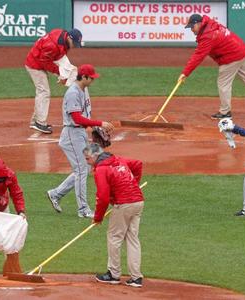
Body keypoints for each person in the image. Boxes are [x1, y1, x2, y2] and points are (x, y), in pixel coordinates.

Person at [46, 64, 114, 218]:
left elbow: (84, 116)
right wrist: (99, 124)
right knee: (82, 170)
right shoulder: (72, 93)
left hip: (81, 133)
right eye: (91, 78)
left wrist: (93, 129)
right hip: (71, 134)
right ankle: (83, 210)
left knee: (87, 167)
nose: (93, 80)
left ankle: (55, 194)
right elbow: (76, 118)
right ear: (84, 77)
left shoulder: (84, 89)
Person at [178, 14, 245, 119]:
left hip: (232, 56)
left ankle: (225, 112)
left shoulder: (208, 36)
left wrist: (185, 73)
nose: (191, 29)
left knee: (223, 84)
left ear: (199, 23)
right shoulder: (210, 24)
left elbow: (198, 56)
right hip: (240, 50)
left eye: (192, 26)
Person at [83, 143, 145, 288]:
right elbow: (138, 164)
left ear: (95, 156)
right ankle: (136, 278)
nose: (86, 161)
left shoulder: (101, 169)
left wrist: (98, 218)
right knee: (132, 239)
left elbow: (103, 197)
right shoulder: (118, 159)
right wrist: (134, 184)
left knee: (114, 238)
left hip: (123, 204)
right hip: (138, 202)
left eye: (87, 158)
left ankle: (113, 274)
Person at [25, 28, 83, 134]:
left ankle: (36, 121)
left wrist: (64, 74)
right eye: (74, 43)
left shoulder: (63, 38)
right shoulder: (52, 45)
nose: (74, 46)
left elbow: (58, 57)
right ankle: (39, 122)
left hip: (43, 60)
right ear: (69, 37)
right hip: (34, 65)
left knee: (71, 71)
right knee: (44, 91)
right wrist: (59, 73)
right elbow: (45, 62)